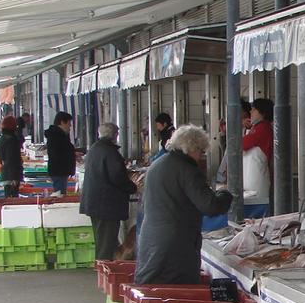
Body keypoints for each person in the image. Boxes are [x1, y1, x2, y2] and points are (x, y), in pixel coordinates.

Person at [135, 125, 233, 285]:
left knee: (155, 290)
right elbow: (210, 206)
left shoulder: (157, 165)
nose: (201, 157)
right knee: (176, 293)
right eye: (201, 151)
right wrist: (225, 193)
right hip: (175, 246)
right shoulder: (187, 170)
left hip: (151, 240)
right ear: (192, 148)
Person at [80, 123, 137, 261]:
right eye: (117, 133)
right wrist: (133, 187)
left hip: (96, 202)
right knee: (106, 242)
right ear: (114, 135)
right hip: (106, 204)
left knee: (103, 240)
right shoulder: (110, 152)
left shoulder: (95, 148)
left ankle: (104, 267)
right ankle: (104, 270)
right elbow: (117, 177)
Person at [241, 98, 274, 218]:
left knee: (256, 219)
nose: (251, 112)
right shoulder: (255, 128)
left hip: (256, 183)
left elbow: (239, 144)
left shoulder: (263, 128)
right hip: (251, 181)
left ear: (263, 113)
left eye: (254, 110)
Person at [45, 111, 76, 194]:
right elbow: (57, 153)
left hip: (59, 170)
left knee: (60, 192)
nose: (70, 127)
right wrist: (71, 155)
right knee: (60, 194)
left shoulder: (59, 135)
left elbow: (61, 150)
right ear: (62, 122)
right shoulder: (56, 135)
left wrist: (73, 154)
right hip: (59, 170)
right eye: (69, 124)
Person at [0, 116, 24, 198]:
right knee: (13, 200)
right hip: (11, 176)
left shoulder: (2, 139)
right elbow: (11, 159)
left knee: (8, 198)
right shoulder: (12, 140)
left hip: (5, 174)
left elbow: (1, 158)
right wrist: (14, 178)